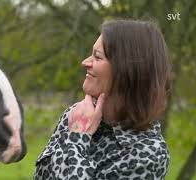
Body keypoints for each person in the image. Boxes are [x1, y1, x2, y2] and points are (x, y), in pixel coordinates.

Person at [34, 19, 171, 180]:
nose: (85, 62)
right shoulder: (77, 115)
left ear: (126, 70)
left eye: (97, 57)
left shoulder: (150, 154)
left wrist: (76, 139)